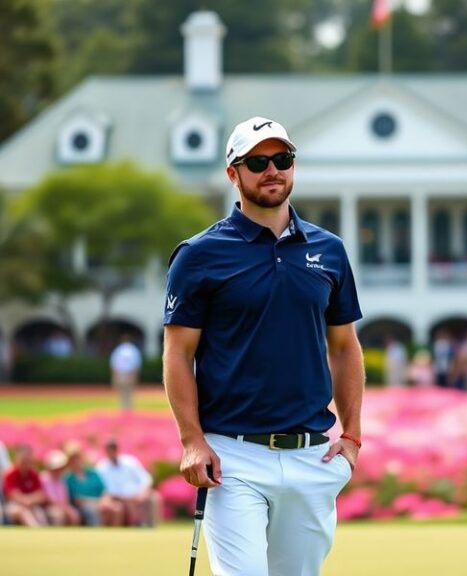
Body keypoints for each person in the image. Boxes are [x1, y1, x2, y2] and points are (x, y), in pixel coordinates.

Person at [163, 116, 364, 576]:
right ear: (233, 173)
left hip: (312, 453)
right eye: (257, 161)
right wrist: (192, 441)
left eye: (282, 158)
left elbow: (345, 347)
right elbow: (178, 354)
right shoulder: (199, 255)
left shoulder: (329, 249)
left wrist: (351, 436)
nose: (272, 169)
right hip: (232, 456)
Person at [95, 439, 161, 527]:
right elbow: (105, 488)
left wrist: (142, 493)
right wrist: (125, 497)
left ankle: (150, 527)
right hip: (117, 497)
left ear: (116, 450)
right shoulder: (102, 467)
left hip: (137, 495)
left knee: (154, 498)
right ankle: (137, 524)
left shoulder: (130, 462)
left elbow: (145, 479)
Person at [63, 441, 124, 527]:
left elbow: (104, 490)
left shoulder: (93, 473)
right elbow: (78, 500)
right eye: (73, 459)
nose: (76, 461)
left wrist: (105, 500)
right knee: (91, 510)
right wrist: (98, 502)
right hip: (85, 506)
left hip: (100, 502)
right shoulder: (68, 478)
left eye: (78, 458)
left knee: (117, 508)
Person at [2, 444, 50, 526]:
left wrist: (29, 501)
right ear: (17, 459)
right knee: (24, 512)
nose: (26, 463)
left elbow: (40, 494)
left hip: (31, 504)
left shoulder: (33, 474)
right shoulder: (10, 474)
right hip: (13, 506)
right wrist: (27, 500)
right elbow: (12, 495)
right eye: (24, 460)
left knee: (39, 513)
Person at [40, 450, 81, 526]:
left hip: (63, 506)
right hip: (49, 507)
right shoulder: (44, 478)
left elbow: (65, 497)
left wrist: (65, 507)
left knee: (74, 515)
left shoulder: (62, 479)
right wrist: (61, 507)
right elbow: (47, 498)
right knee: (58, 516)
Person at [110, 335, 142, 410]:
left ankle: (123, 407)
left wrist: (114, 375)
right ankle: (128, 408)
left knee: (122, 392)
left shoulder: (118, 350)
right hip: (129, 373)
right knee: (129, 392)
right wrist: (135, 374)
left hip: (121, 373)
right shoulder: (133, 350)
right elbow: (137, 363)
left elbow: (114, 363)